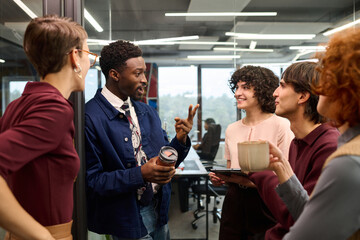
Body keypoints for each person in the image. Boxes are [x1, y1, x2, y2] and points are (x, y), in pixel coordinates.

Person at [85, 40, 198, 240]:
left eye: (144, 73)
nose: (145, 80)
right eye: (137, 74)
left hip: (159, 211)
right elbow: (93, 182)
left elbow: (164, 161)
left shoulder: (147, 112)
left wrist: (180, 140)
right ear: (114, 75)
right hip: (126, 217)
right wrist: (141, 174)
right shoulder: (90, 117)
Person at [0, 15, 93, 239]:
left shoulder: (18, 104)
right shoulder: (55, 109)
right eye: (89, 55)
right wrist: (42, 235)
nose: (91, 62)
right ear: (74, 57)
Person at [268, 28, 360, 239]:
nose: (320, 87)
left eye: (329, 78)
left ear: (348, 89)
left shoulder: (347, 161)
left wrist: (262, 175)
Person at [242, 62, 339, 239]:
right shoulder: (297, 142)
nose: (275, 93)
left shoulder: (329, 146)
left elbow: (302, 217)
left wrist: (260, 173)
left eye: (283, 85)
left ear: (302, 96)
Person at [209, 65, 294, 240]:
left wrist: (242, 180)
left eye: (245, 87)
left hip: (266, 201)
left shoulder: (282, 125)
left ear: (262, 90)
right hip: (234, 201)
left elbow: (286, 178)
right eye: (237, 87)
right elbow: (231, 169)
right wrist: (221, 178)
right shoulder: (232, 129)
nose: (237, 93)